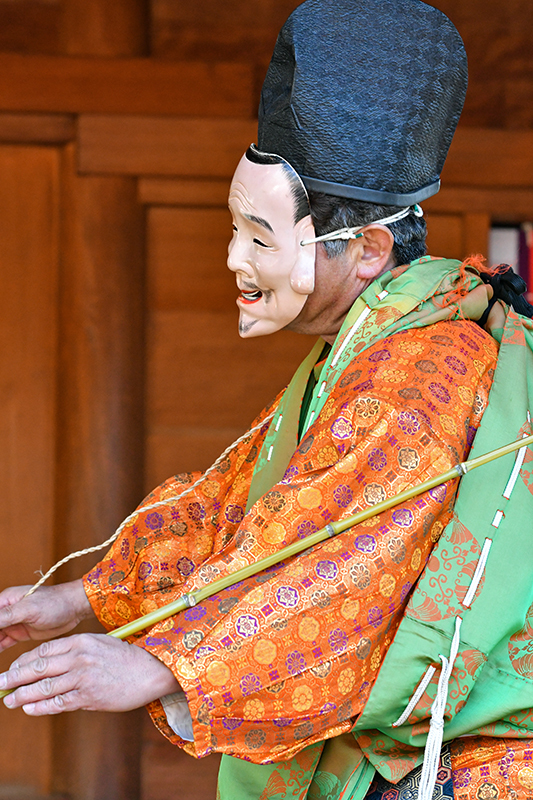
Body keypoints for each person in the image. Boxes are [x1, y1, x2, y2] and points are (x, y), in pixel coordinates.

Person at [1, 1, 533, 799]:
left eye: (258, 236)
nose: (231, 258)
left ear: (366, 251)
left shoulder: (416, 374)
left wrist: (156, 663)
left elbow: (335, 572)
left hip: (460, 769)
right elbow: (237, 509)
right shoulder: (372, 346)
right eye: (232, 228)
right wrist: (79, 601)